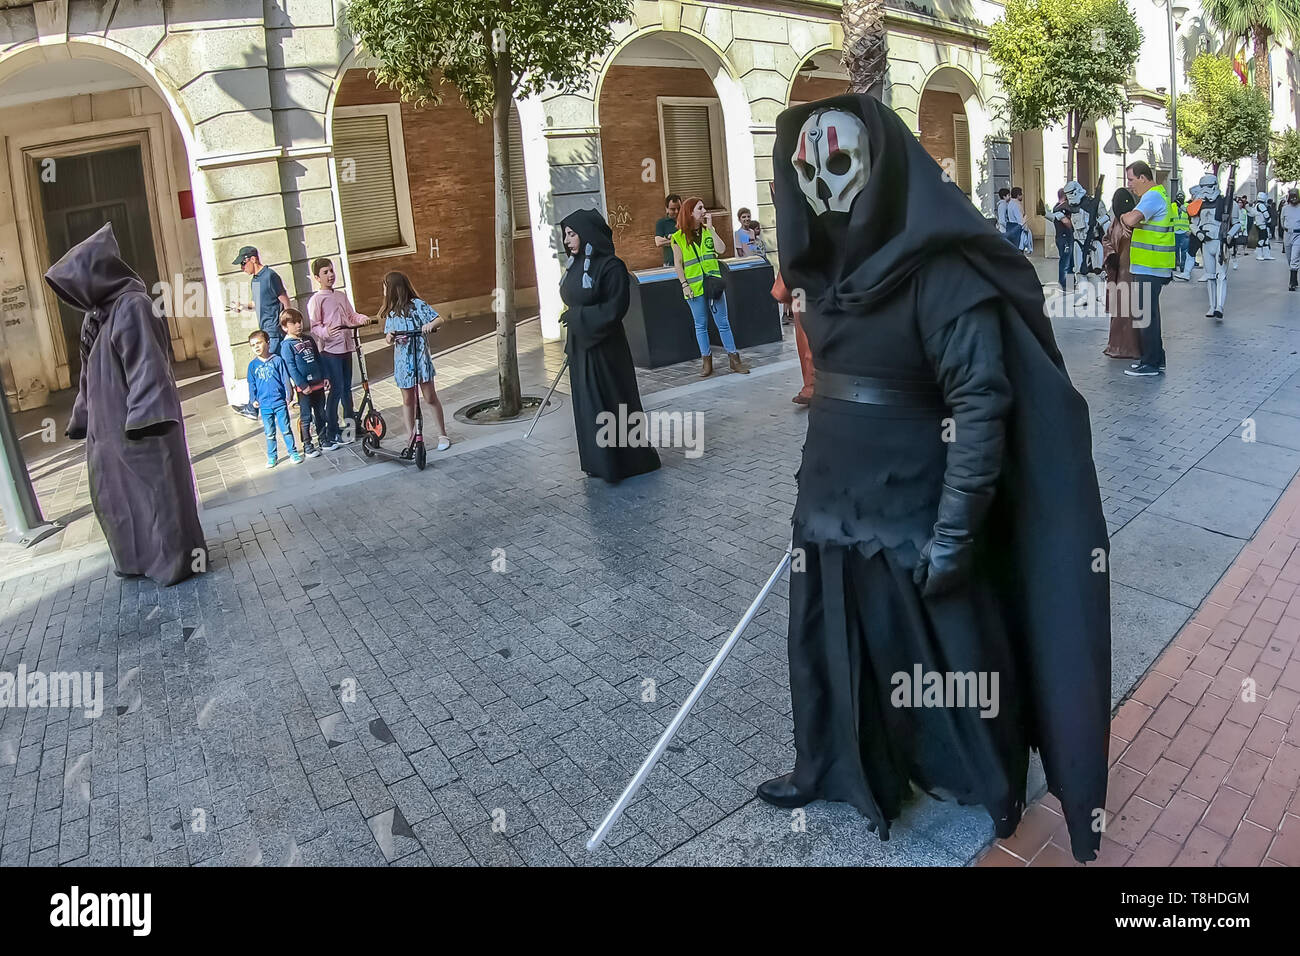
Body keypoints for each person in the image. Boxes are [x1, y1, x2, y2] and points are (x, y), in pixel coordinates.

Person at [766, 95, 1110, 864]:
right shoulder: (820, 268)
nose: (824, 185)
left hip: (918, 497)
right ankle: (839, 764)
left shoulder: (941, 267)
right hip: (830, 489)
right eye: (807, 168)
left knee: (947, 655)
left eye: (840, 162)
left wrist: (957, 524)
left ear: (879, 163)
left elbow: (980, 399)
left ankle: (987, 784)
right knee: (837, 639)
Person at [43, 222, 205, 586]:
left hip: (138, 431)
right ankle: (134, 560)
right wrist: (83, 418)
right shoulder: (96, 316)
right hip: (107, 432)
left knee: (155, 497)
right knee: (115, 498)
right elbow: (86, 375)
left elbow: (147, 365)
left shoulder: (133, 306)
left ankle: (174, 562)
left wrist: (145, 422)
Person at [559, 208, 661, 483]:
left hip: (606, 348)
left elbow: (615, 308)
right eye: (566, 235)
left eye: (572, 234)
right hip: (582, 347)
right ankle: (599, 461)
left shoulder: (612, 267)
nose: (567, 241)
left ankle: (626, 461)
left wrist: (578, 317)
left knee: (612, 402)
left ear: (587, 233)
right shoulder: (576, 264)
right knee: (589, 404)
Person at [671, 196, 748, 377]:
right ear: (690, 212)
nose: (704, 211)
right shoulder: (678, 238)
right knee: (701, 325)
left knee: (723, 323)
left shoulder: (707, 231)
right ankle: (706, 362)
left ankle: (734, 360)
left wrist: (712, 229)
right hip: (694, 287)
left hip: (713, 285)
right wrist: (684, 285)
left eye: (704, 207)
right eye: (700, 208)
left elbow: (721, 249)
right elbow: (678, 264)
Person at [379, 272, 450, 452]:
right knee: (408, 399)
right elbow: (388, 337)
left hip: (420, 359)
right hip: (403, 362)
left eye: (386, 287)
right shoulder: (391, 313)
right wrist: (390, 336)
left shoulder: (418, 305)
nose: (384, 291)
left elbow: (439, 319)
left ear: (395, 289)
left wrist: (430, 325)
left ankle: (442, 434)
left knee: (429, 396)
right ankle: (411, 435)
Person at [307, 257, 370, 446]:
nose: (330, 275)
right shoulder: (316, 300)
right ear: (317, 277)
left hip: (346, 348)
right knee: (335, 390)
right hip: (330, 351)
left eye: (331, 270)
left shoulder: (341, 295)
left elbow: (351, 315)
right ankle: (332, 430)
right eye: (325, 272)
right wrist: (325, 332)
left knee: (347, 390)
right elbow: (314, 326)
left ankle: (351, 427)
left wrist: (362, 318)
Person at [1121, 161, 1174, 377]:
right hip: (1154, 266)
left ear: (1143, 178)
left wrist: (1125, 216)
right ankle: (1156, 358)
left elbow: (1131, 219)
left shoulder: (1151, 196)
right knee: (1150, 313)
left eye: (1131, 180)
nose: (1129, 185)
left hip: (1150, 267)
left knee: (1146, 316)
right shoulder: (1158, 195)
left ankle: (1150, 364)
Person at [247, 329, 303, 468]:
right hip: (264, 405)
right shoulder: (252, 366)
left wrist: (288, 395)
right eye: (253, 345)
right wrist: (253, 399)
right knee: (269, 432)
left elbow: (285, 379)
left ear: (268, 342)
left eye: (259, 343)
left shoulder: (277, 360)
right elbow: (252, 384)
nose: (256, 347)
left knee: (285, 429)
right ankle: (272, 456)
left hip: (279, 402)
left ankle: (293, 452)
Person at [278, 309, 330, 457]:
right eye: (293, 323)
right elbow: (291, 368)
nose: (298, 325)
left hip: (318, 383)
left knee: (321, 412)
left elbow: (318, 358)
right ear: (285, 327)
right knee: (306, 416)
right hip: (305, 388)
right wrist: (302, 385)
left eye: (299, 321)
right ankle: (307, 444)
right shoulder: (286, 346)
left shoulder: (309, 339)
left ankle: (323, 439)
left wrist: (325, 376)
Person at [1102, 188, 1142, 360]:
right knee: (1120, 310)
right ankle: (1118, 345)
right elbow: (1107, 239)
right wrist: (1110, 255)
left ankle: (1131, 347)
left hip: (1133, 270)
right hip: (1120, 271)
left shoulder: (1134, 221)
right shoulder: (1115, 222)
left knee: (1132, 309)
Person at [233, 246, 290, 355]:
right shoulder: (255, 280)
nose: (242, 267)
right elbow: (256, 304)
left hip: (276, 331)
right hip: (265, 332)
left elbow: (285, 300)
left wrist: (288, 325)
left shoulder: (270, 275)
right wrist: (242, 306)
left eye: (243, 263)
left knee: (271, 362)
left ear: (253, 259)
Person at [772, 271, 815, 404]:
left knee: (804, 332)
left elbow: (790, 259)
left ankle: (811, 386)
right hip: (819, 286)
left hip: (801, 288)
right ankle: (812, 387)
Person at [1049, 188, 1074, 287]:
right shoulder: (1064, 208)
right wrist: (1075, 225)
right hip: (1066, 237)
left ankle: (1069, 283)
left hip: (1060, 237)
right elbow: (1066, 222)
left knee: (1068, 260)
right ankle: (1066, 284)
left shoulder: (1056, 206)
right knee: (1067, 261)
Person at [653, 194, 682, 267]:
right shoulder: (662, 223)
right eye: (673, 209)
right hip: (670, 263)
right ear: (667, 209)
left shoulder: (686, 221)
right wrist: (678, 239)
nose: (676, 211)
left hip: (687, 262)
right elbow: (658, 242)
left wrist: (669, 239)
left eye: (679, 208)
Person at [1282, 187, 1300, 291]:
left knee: (1294, 257)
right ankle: (1294, 275)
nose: (1293, 198)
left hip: (1298, 234)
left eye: (1295, 196)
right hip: (1287, 233)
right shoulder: (1285, 208)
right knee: (1289, 258)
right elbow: (1282, 220)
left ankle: (1292, 282)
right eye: (1292, 196)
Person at [1171, 191, 1191, 279]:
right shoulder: (1172, 206)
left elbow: (1191, 219)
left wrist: (1190, 230)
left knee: (1184, 251)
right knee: (1174, 250)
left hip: (1185, 231)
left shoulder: (1188, 206)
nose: (1180, 198)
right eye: (1178, 196)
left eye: (1181, 196)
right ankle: (1174, 265)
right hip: (1175, 231)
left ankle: (1183, 267)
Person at [1011, 187, 1033, 255]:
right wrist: (1026, 230)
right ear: (1018, 195)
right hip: (1019, 230)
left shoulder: (1011, 204)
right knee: (1020, 251)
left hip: (1014, 229)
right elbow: (1020, 220)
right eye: (1021, 194)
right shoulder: (1016, 205)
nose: (1022, 195)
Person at [1254, 191, 1275, 260]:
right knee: (1262, 239)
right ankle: (1259, 255)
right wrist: (1269, 220)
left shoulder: (1257, 205)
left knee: (1265, 240)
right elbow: (1266, 214)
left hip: (1261, 224)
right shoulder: (1261, 205)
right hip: (1262, 224)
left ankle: (1266, 255)